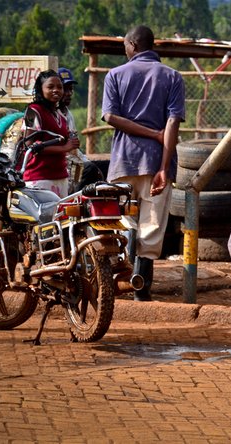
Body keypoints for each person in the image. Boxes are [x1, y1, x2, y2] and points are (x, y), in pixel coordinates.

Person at [101, 25, 185, 301]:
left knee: (123, 221)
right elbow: (172, 123)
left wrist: (148, 133)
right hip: (156, 163)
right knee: (152, 224)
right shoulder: (173, 77)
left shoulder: (114, 75)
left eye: (125, 45)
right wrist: (163, 166)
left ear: (132, 45)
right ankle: (141, 288)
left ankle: (118, 283)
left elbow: (110, 117)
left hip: (124, 161)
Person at [21, 69, 80, 197]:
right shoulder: (32, 111)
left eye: (60, 87)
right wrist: (65, 147)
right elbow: (29, 145)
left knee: (60, 217)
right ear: (40, 89)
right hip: (39, 178)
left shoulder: (61, 115)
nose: (56, 90)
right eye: (50, 87)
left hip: (61, 177)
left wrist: (72, 142)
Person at [57, 67, 104, 193]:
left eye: (70, 89)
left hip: (73, 161)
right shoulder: (51, 115)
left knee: (103, 166)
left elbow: (75, 150)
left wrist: (87, 161)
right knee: (89, 169)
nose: (68, 93)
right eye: (65, 89)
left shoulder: (68, 114)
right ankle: (73, 203)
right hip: (61, 164)